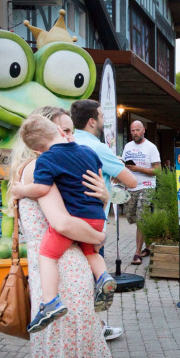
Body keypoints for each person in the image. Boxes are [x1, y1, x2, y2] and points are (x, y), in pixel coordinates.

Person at [8, 109, 122, 358]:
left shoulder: (42, 167)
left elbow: (87, 201)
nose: (69, 138)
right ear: (43, 134)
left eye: (71, 129)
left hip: (53, 273)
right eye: (63, 130)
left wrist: (103, 195)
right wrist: (99, 235)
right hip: (65, 270)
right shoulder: (40, 169)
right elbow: (62, 222)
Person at [10, 115, 116, 332]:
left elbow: (43, 192)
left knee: (47, 254)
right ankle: (103, 277)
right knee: (91, 252)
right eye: (66, 130)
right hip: (96, 217)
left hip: (76, 224)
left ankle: (50, 301)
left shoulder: (46, 160)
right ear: (58, 131)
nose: (69, 134)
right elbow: (95, 175)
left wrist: (21, 190)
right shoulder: (88, 152)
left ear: (38, 149)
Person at [71, 99, 137, 341]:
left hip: (65, 221)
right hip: (92, 221)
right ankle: (95, 328)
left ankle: (87, 326)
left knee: (74, 277)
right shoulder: (98, 148)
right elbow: (131, 181)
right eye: (101, 116)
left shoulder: (66, 142)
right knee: (93, 277)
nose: (104, 120)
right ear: (92, 122)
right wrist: (115, 168)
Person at [122, 120, 161, 265]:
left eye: (138, 130)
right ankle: (148, 246)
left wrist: (138, 169)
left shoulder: (151, 147)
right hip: (131, 186)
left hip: (147, 186)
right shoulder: (127, 147)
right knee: (132, 217)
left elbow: (158, 169)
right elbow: (124, 166)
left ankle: (137, 253)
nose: (135, 133)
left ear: (144, 130)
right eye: (133, 130)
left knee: (141, 218)